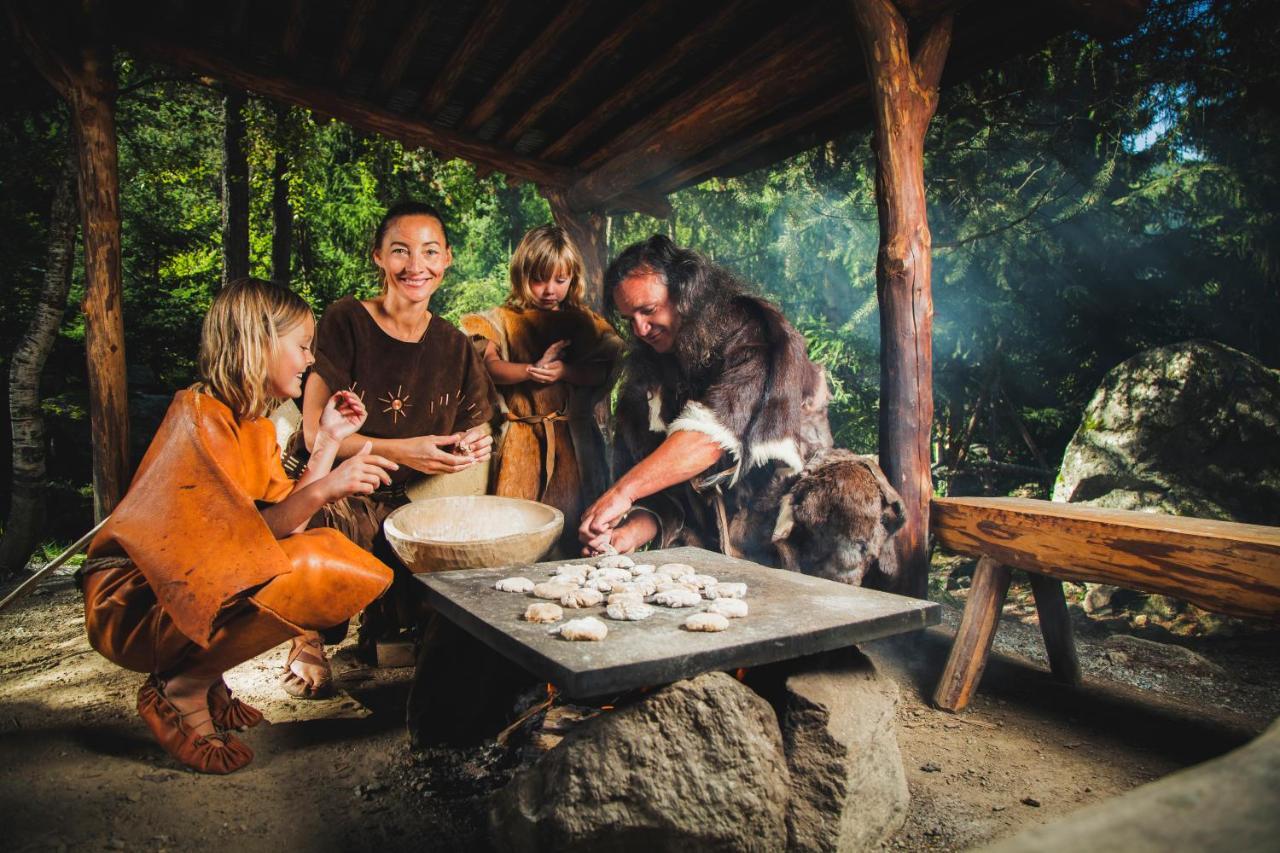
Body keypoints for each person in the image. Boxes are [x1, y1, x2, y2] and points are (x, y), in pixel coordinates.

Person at [79, 278, 397, 774]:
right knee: (316, 565)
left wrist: (329, 441)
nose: (311, 360)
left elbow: (285, 524)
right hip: (131, 602)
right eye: (302, 347)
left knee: (326, 554)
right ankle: (180, 689)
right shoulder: (201, 416)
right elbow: (232, 543)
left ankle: (205, 678)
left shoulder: (254, 425)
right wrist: (330, 486)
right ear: (258, 344)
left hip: (175, 594)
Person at [301, 201, 497, 675]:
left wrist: (472, 445)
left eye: (430, 252)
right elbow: (312, 437)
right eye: (400, 251)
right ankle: (305, 636)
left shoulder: (452, 342)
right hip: (338, 481)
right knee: (324, 523)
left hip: (412, 492)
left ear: (447, 258)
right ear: (378, 258)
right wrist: (401, 450)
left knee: (451, 545)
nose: (416, 266)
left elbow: (475, 425)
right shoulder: (346, 320)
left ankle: (387, 625)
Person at [579, 235, 834, 563]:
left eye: (648, 310)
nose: (640, 329)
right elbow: (662, 492)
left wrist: (622, 492)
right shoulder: (646, 375)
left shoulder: (754, 332)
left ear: (685, 293)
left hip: (781, 534)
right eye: (630, 319)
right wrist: (626, 533)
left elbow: (710, 437)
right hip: (700, 549)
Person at [460, 225, 623, 552]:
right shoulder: (500, 319)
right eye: (539, 279)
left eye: (559, 280)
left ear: (572, 278)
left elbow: (602, 371)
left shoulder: (586, 323)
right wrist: (531, 372)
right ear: (522, 275)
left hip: (576, 446)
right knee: (516, 532)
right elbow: (490, 367)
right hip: (521, 444)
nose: (550, 290)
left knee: (577, 529)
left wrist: (565, 370)